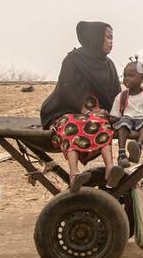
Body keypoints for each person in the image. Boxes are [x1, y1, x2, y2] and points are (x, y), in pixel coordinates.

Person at [40, 21, 122, 190]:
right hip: (67, 109)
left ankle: (110, 168)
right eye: (108, 37)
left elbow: (116, 94)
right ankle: (74, 173)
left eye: (112, 38)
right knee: (71, 124)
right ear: (95, 38)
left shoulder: (108, 64)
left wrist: (117, 112)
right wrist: (83, 110)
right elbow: (66, 89)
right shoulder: (73, 60)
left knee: (100, 120)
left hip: (95, 111)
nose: (111, 42)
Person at [110, 60, 143, 168]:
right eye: (125, 76)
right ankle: (122, 154)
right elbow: (116, 116)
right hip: (128, 121)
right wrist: (111, 120)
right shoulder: (122, 96)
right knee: (122, 124)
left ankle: (138, 147)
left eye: (131, 75)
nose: (126, 78)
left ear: (142, 77)